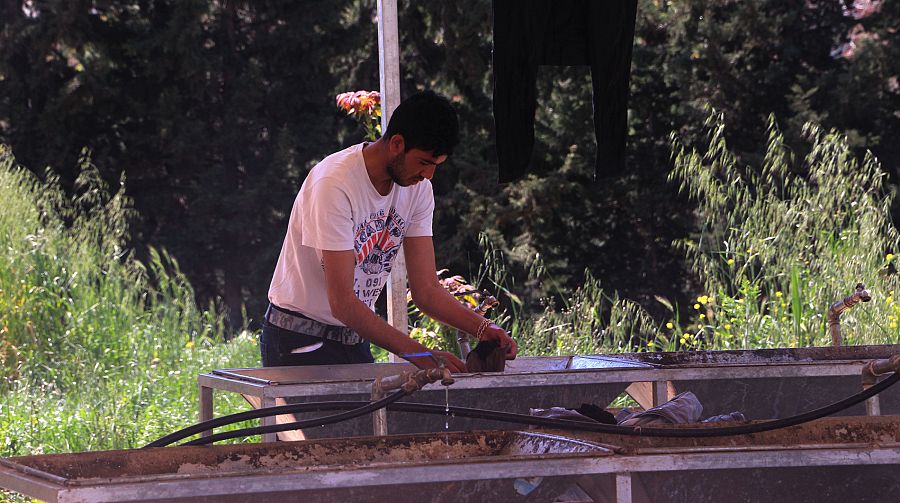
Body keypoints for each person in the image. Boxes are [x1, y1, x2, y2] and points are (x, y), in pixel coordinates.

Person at [262, 91, 517, 372]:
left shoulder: (418, 190)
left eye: (435, 166)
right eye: (423, 162)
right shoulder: (334, 183)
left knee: (371, 417)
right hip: (299, 339)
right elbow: (343, 303)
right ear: (397, 143)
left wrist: (484, 327)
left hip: (353, 338)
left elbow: (427, 290)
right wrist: (422, 357)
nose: (428, 175)